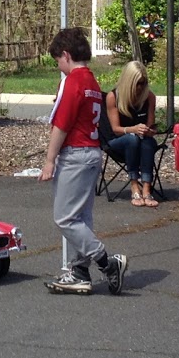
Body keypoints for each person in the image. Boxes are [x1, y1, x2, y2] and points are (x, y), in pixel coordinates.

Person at [39, 27, 128, 296]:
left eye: (58, 61)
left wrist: (49, 160)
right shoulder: (91, 81)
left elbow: (62, 125)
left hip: (75, 154)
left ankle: (107, 262)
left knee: (65, 218)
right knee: (81, 218)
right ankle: (79, 271)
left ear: (66, 55)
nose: (60, 67)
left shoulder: (75, 82)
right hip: (91, 152)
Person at [102, 60, 158, 207]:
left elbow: (151, 125)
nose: (140, 87)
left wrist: (149, 131)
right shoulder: (113, 97)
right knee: (132, 139)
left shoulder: (149, 97)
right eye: (137, 83)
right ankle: (134, 185)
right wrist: (132, 129)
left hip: (141, 139)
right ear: (129, 82)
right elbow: (115, 129)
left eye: (143, 83)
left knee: (147, 141)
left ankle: (146, 188)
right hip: (118, 140)